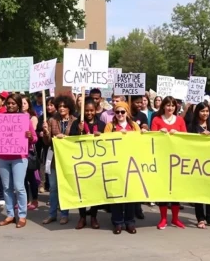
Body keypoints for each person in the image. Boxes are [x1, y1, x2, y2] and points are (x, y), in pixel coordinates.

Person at [0, 93, 37, 228]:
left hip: (19, 158)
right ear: (6, 104)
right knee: (7, 187)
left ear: (18, 105)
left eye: (13, 103)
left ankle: (22, 215)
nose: (10, 105)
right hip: (2, 157)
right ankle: (10, 215)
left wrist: (30, 137)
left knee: (19, 187)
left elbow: (34, 138)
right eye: (8, 103)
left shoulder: (24, 119)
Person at [104, 101, 141, 235]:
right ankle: (117, 222)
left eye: (122, 112)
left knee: (130, 195)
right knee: (117, 195)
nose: (120, 114)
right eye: (117, 112)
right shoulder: (110, 126)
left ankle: (130, 222)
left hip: (131, 164)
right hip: (115, 164)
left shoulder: (133, 125)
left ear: (127, 113)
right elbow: (105, 142)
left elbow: (140, 142)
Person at [151, 96, 187, 230]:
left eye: (172, 105)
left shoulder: (180, 120)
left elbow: (186, 138)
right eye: (168, 105)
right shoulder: (157, 120)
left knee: (175, 190)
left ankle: (176, 219)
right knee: (163, 190)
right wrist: (159, 133)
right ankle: (163, 219)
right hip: (162, 159)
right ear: (163, 106)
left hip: (176, 160)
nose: (170, 108)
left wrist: (177, 133)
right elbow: (151, 138)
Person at [70, 98, 106, 230]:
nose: (89, 113)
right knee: (82, 190)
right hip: (82, 163)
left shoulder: (101, 124)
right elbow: (70, 141)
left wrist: (101, 136)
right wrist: (78, 132)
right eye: (86, 110)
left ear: (95, 110)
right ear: (82, 110)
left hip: (96, 163)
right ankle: (82, 217)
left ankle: (94, 217)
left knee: (95, 191)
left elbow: (107, 142)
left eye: (91, 110)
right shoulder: (76, 123)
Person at [42, 95, 77, 225]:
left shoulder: (75, 121)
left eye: (64, 106)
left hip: (68, 160)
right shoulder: (51, 120)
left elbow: (76, 140)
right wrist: (46, 133)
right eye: (60, 106)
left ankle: (64, 214)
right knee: (53, 188)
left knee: (64, 188)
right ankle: (52, 214)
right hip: (54, 159)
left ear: (69, 108)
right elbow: (46, 142)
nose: (61, 108)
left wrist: (65, 138)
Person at [188, 102, 210, 229]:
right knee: (199, 192)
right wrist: (199, 137)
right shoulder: (192, 126)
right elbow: (188, 142)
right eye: (202, 111)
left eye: (207, 111)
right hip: (197, 163)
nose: (205, 113)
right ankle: (200, 218)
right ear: (197, 112)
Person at [36, 97, 57, 193]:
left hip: (57, 146)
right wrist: (40, 132)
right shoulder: (43, 118)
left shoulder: (58, 117)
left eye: (51, 105)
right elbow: (37, 130)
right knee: (48, 166)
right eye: (47, 105)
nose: (49, 107)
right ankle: (47, 184)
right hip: (47, 147)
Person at [22, 96, 39, 210]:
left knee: (30, 177)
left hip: (28, 151)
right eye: (21, 103)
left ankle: (35, 200)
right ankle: (25, 200)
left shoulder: (32, 118)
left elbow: (32, 133)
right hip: (17, 152)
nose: (22, 105)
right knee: (21, 179)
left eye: (24, 103)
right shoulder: (14, 116)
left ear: (28, 104)